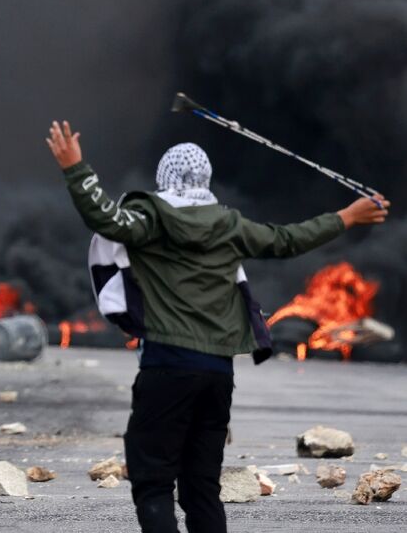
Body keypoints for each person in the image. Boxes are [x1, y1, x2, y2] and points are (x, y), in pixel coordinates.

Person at [46, 121, 389, 533]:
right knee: (201, 489)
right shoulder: (229, 225)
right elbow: (288, 239)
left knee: (153, 482)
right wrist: (347, 216)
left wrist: (76, 169)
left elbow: (106, 218)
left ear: (164, 178)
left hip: (167, 366)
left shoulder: (152, 218)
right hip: (217, 374)